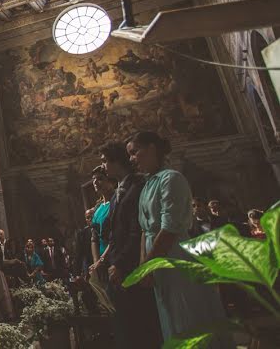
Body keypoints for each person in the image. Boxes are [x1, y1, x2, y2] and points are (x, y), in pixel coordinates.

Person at [129, 131, 231, 347]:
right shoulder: (148, 184)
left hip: (173, 256)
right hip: (157, 259)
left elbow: (169, 229)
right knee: (171, 319)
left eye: (135, 152)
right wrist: (143, 264)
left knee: (187, 316)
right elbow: (144, 230)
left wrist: (149, 264)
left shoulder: (172, 178)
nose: (132, 159)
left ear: (152, 149)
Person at [96, 141, 161, 349]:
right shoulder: (116, 194)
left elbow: (137, 230)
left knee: (142, 325)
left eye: (106, 161)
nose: (104, 166)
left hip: (134, 265)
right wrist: (105, 260)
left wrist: (121, 263)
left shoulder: (138, 186)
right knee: (124, 327)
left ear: (118, 162)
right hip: (117, 264)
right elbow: (115, 235)